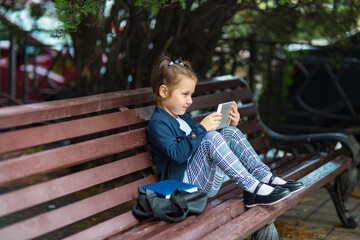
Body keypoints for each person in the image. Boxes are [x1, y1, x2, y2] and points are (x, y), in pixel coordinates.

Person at [146, 56, 304, 207]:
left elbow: (199, 145)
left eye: (191, 95)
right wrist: (202, 128)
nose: (190, 100)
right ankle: (252, 188)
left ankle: (264, 177)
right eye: (185, 94)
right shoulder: (158, 123)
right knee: (211, 136)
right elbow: (177, 155)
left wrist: (230, 124)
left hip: (202, 178)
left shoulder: (182, 117)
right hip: (183, 188)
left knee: (229, 131)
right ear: (164, 92)